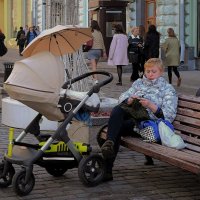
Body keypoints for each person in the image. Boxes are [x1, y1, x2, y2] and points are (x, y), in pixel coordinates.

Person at [100, 58, 178, 181]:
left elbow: (169, 116)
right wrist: (129, 100)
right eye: (148, 71)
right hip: (133, 122)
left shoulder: (168, 89)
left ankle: (107, 170)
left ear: (161, 72)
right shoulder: (139, 83)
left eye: (154, 71)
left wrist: (151, 106)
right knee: (118, 110)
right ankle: (109, 145)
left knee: (116, 129)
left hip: (147, 126)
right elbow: (122, 98)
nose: (150, 74)